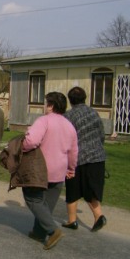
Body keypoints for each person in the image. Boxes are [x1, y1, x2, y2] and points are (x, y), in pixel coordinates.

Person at [22, 92, 78, 250]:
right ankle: (39, 232)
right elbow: (73, 151)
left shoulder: (44, 121)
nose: (45, 107)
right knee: (46, 204)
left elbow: (31, 141)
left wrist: (23, 143)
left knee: (32, 198)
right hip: (60, 169)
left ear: (51, 106)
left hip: (41, 167)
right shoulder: (69, 125)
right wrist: (71, 168)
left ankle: (53, 230)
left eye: (47, 104)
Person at [63, 86, 107, 232]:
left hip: (78, 158)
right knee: (91, 189)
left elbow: (66, 138)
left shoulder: (68, 116)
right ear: (85, 98)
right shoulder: (94, 113)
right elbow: (102, 134)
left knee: (73, 189)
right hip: (97, 157)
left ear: (70, 100)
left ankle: (72, 220)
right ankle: (98, 215)